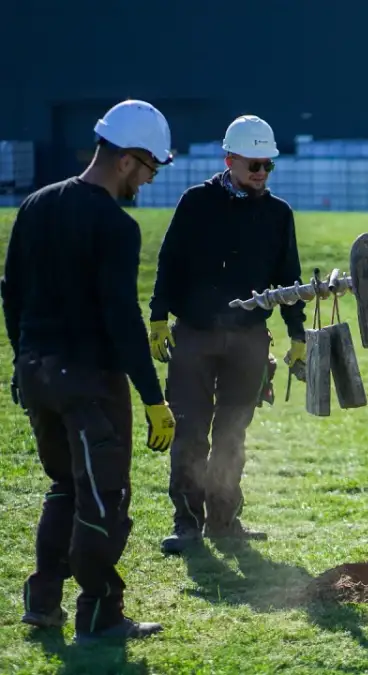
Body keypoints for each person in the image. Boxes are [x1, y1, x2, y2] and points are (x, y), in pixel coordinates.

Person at [1, 99, 178, 643]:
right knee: (105, 497)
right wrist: (153, 397)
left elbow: (12, 292)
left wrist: (20, 358)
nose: (146, 182)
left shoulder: (35, 204)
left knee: (64, 488)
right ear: (127, 160)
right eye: (149, 169)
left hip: (37, 372)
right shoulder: (115, 226)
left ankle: (42, 600)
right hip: (90, 381)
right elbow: (122, 319)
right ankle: (100, 613)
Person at [148, 114, 308, 555]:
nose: (260, 173)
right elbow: (169, 261)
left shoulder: (278, 215)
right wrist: (158, 316)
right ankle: (187, 524)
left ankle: (224, 522)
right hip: (194, 336)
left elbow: (289, 280)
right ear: (229, 159)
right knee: (190, 431)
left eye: (267, 166)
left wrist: (297, 335)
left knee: (233, 433)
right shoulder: (195, 202)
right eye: (253, 164)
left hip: (249, 340)